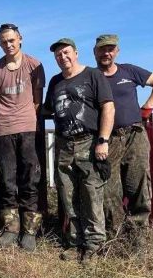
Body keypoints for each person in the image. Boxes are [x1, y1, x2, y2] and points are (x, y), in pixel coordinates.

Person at [44, 38, 115, 262]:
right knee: (68, 194)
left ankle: (94, 245)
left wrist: (102, 140)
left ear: (75, 53)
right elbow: (46, 110)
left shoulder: (93, 75)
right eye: (57, 55)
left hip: (89, 140)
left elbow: (108, 107)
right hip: (64, 144)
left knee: (92, 193)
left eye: (66, 52)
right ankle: (75, 242)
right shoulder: (55, 82)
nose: (62, 57)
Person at [94, 34, 153, 248]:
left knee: (138, 186)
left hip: (135, 135)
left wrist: (147, 108)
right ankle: (115, 236)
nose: (106, 53)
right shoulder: (92, 76)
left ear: (117, 51)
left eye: (110, 49)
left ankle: (138, 239)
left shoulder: (129, 71)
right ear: (95, 52)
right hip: (108, 140)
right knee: (109, 190)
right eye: (102, 49)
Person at [0, 23, 46, 251]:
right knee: (7, 180)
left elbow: (37, 99)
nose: (8, 45)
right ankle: (11, 228)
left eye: (12, 40)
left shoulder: (34, 65)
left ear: (20, 38)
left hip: (28, 129)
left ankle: (30, 231)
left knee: (30, 179)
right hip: (3, 130)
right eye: (4, 42)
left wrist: (27, 118)